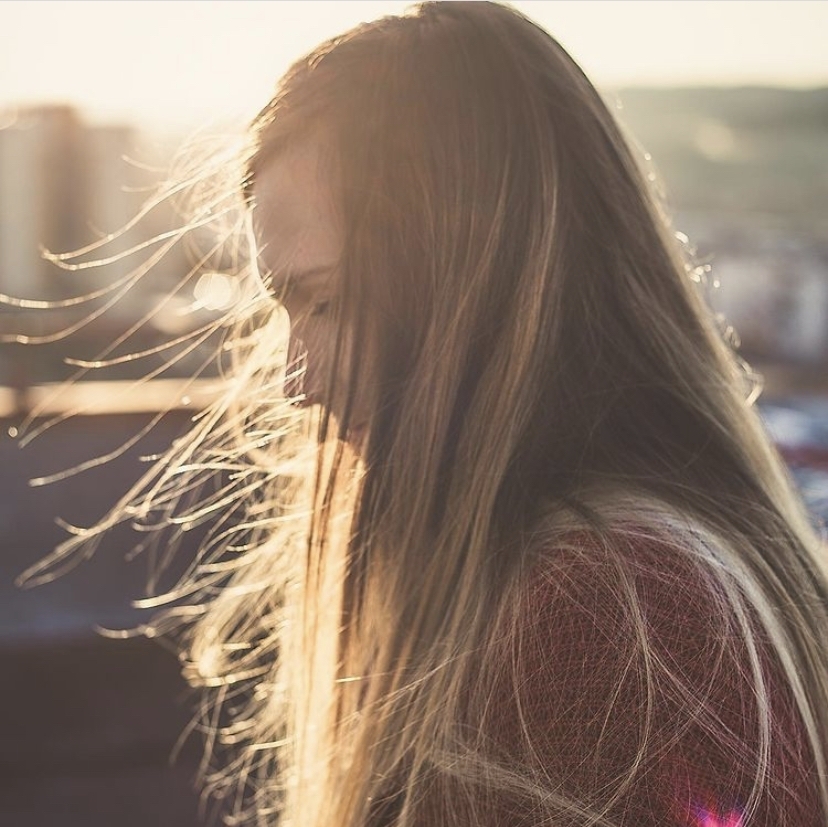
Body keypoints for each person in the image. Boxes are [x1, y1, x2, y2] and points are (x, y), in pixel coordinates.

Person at [29, 2, 828, 825]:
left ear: (472, 277)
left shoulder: (608, 617)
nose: (293, 380)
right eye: (284, 311)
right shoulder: (604, 583)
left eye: (325, 301)